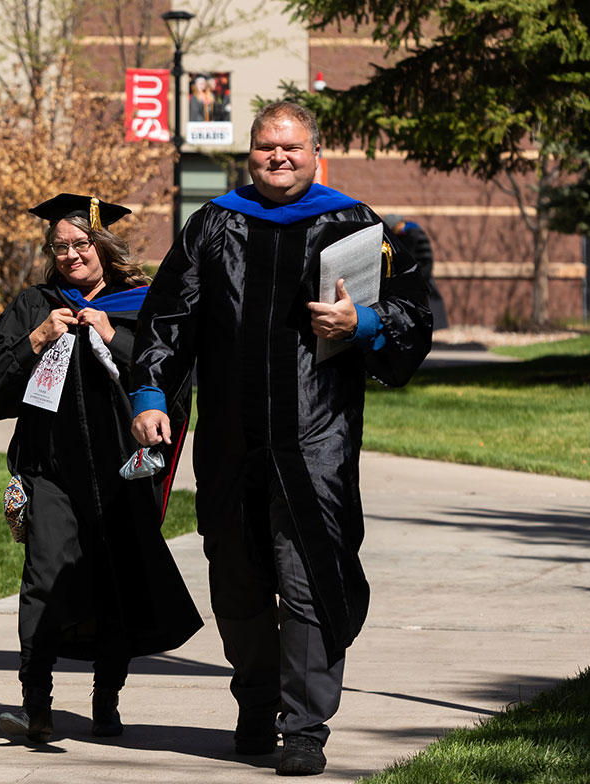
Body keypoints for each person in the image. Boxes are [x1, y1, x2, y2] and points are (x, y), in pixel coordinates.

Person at [129, 102, 432, 776]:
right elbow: (167, 316)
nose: (279, 158)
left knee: (307, 581)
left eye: (291, 148)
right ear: (251, 154)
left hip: (315, 438)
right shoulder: (213, 224)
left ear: (315, 153)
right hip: (231, 441)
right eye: (267, 148)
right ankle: (256, 698)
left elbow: (414, 312)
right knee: (235, 582)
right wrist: (150, 394)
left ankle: (304, 728)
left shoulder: (353, 223)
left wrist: (363, 324)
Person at [0, 193, 202, 743]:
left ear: (104, 247)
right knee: (44, 580)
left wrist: (111, 336)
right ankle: (37, 707)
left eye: (82, 244)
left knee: (114, 584)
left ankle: (106, 700)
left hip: (122, 472)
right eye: (61, 246)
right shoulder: (35, 305)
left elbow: (172, 381)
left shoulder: (140, 304)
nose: (71, 255)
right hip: (49, 471)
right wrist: (38, 339)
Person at [383, 214, 449, 330]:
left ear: (398, 224)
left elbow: (423, 257)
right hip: (414, 275)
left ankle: (434, 326)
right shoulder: (404, 234)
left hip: (421, 274)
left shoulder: (413, 233)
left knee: (428, 302)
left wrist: (422, 275)